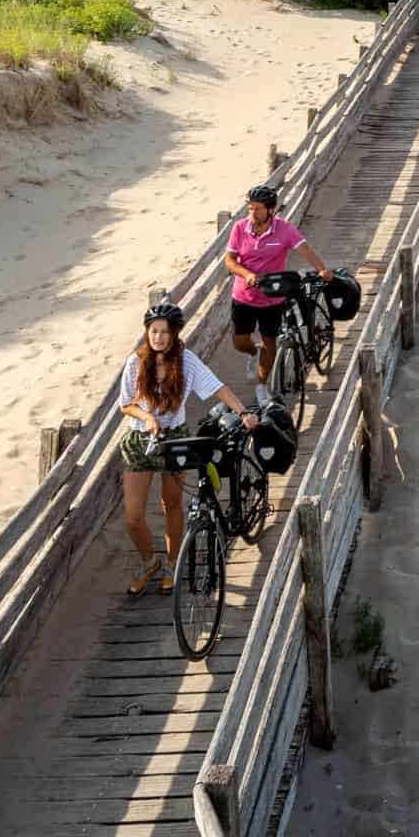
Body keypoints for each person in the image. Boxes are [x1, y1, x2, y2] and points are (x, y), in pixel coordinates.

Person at [116, 299, 254, 596]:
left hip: (175, 438)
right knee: (133, 515)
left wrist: (243, 412)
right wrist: (147, 416)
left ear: (175, 333)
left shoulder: (186, 360)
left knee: (172, 504)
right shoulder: (135, 362)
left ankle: (173, 563)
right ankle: (149, 561)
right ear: (147, 332)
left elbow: (216, 387)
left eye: (165, 332)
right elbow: (126, 405)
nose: (158, 337)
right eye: (153, 331)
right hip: (140, 440)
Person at [222, 184, 337, 395]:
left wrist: (321, 269)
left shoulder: (285, 230)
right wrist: (246, 274)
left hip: (272, 297)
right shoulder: (239, 228)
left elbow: (306, 249)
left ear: (270, 210)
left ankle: (261, 385)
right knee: (240, 342)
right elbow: (229, 261)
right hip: (244, 295)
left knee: (270, 342)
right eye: (250, 208)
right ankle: (252, 352)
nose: (252, 213)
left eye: (257, 209)